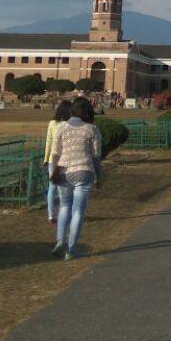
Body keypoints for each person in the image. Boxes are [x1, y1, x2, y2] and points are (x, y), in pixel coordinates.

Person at [50, 95, 102, 261]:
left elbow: (55, 153)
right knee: (78, 211)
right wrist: (99, 177)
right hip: (84, 171)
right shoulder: (92, 129)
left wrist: (54, 171)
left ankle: (60, 241)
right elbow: (96, 157)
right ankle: (71, 249)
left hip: (64, 170)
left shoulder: (61, 127)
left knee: (65, 206)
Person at [43, 99, 72, 224]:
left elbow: (48, 142)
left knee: (52, 187)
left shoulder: (52, 123)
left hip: (52, 160)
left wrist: (45, 158)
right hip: (65, 159)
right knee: (64, 187)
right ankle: (63, 213)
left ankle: (51, 215)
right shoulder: (69, 125)